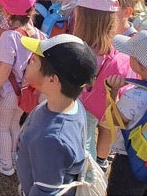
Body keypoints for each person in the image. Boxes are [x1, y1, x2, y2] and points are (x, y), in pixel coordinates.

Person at [16, 34, 98, 196]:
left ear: (53, 80)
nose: (28, 62)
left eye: (34, 61)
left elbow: (46, 191)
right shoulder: (73, 105)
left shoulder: (51, 138)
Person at [0, 0, 47, 176]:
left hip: (7, 92)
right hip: (26, 91)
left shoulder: (9, 37)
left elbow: (5, 67)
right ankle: (13, 156)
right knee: (14, 124)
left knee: (1, 126)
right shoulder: (39, 34)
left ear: (7, 12)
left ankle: (4, 164)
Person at [73, 0, 134, 170]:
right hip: (96, 107)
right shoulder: (112, 47)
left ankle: (85, 177)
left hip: (79, 108)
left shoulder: (79, 50)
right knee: (89, 139)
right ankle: (91, 173)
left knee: (81, 144)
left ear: (83, 18)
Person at [106, 30, 147, 196]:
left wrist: (113, 92)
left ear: (139, 66)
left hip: (129, 160)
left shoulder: (134, 95)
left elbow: (116, 120)